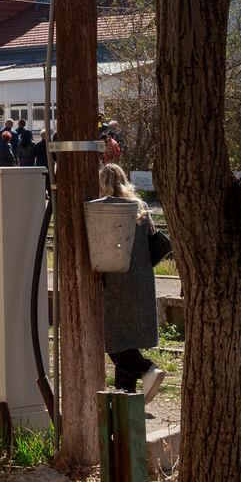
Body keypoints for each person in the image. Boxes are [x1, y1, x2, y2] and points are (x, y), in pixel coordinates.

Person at [98, 163, 164, 399]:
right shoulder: (140, 206)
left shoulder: (103, 209)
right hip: (141, 281)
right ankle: (126, 395)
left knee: (113, 341)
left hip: (115, 284)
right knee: (126, 339)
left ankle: (147, 368)